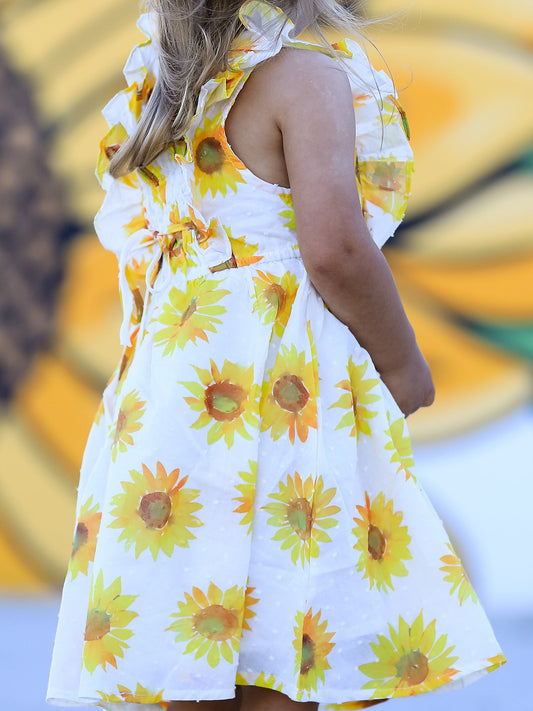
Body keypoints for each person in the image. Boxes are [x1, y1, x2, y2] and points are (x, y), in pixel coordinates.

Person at [47, 1, 506, 709]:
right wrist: (401, 362)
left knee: (195, 642)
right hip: (274, 397)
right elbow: (336, 250)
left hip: (172, 396)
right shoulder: (303, 79)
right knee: (288, 629)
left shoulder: (166, 86)